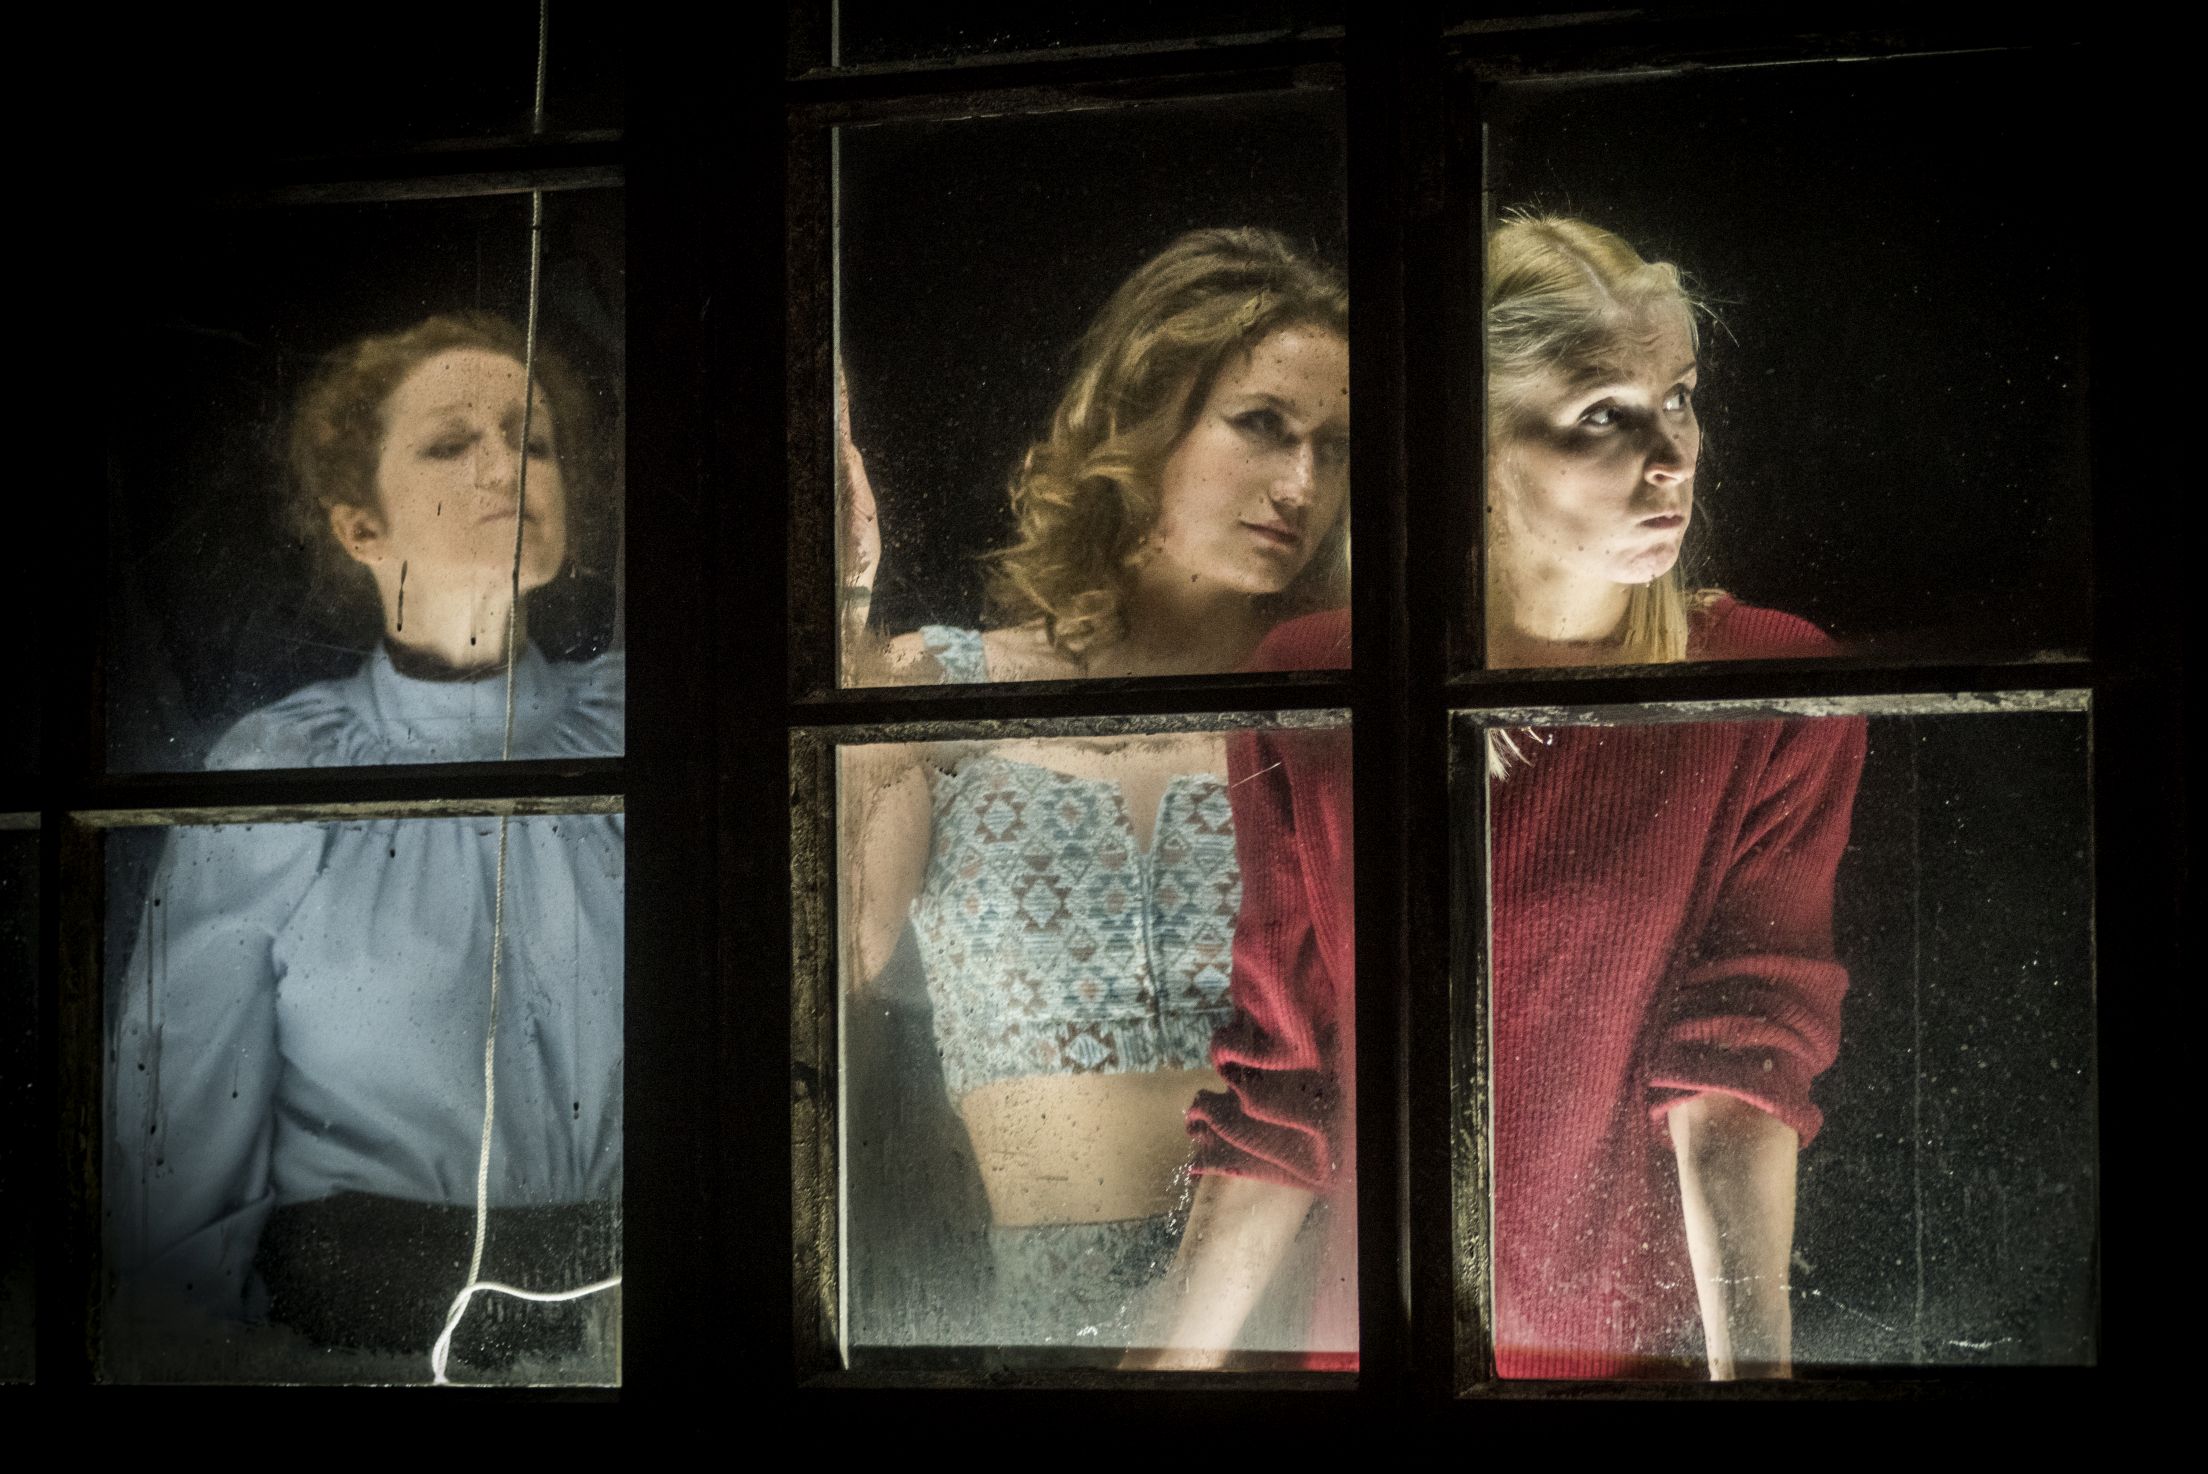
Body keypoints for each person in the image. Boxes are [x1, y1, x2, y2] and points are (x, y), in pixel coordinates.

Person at [1138, 215, 1864, 1379]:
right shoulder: (1316, 683)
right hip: (1381, 1366)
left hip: (1639, 1378)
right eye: (1603, 415)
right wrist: (1144, 1394)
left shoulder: (1768, 684)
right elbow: (1283, 1087)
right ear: (1467, 443)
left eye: (1679, 398)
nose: (1671, 456)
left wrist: (1757, 1395)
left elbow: (1739, 1069)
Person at [837, 228, 1351, 1351]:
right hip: (1041, 1314)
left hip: (1313, 1298)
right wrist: (845, 607)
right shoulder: (947, 687)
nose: (1301, 484)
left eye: (1336, 445)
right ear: (1148, 413)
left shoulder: (1337, 708)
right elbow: (843, 951)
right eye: (1262, 423)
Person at [108, 312, 624, 1377]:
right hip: (360, 1343)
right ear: (359, 527)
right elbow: (181, 1098)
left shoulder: (640, 729)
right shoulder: (284, 766)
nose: (506, 467)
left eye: (531, 440)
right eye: (451, 444)